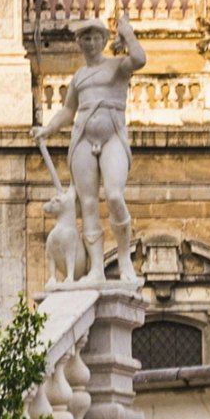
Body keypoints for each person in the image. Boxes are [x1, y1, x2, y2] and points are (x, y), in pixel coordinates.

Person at [63, 23, 140, 277]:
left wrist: (127, 34)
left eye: (96, 37)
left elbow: (139, 59)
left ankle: (123, 255)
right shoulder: (79, 77)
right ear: (80, 43)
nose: (91, 43)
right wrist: (46, 129)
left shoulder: (116, 66)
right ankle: (96, 267)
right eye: (86, 38)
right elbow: (68, 111)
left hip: (112, 135)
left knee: (115, 195)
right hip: (83, 136)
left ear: (104, 40)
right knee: (88, 204)